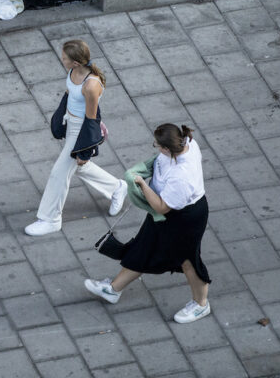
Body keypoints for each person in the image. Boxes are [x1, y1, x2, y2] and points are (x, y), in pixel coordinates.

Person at [84, 123, 212, 324]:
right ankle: (114, 289)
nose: (156, 148)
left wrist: (142, 185)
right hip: (172, 214)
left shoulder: (181, 177)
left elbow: (162, 207)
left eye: (158, 145)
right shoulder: (185, 144)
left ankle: (201, 304)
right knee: (145, 246)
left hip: (185, 219)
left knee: (188, 261)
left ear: (167, 149)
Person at [25, 39, 128, 236]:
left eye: (64, 58)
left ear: (76, 63)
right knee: (77, 167)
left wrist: (85, 150)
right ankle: (117, 188)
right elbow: (69, 93)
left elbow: (91, 118)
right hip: (70, 123)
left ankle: (50, 219)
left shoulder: (91, 86)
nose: (61, 59)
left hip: (81, 130)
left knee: (59, 173)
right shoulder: (73, 72)